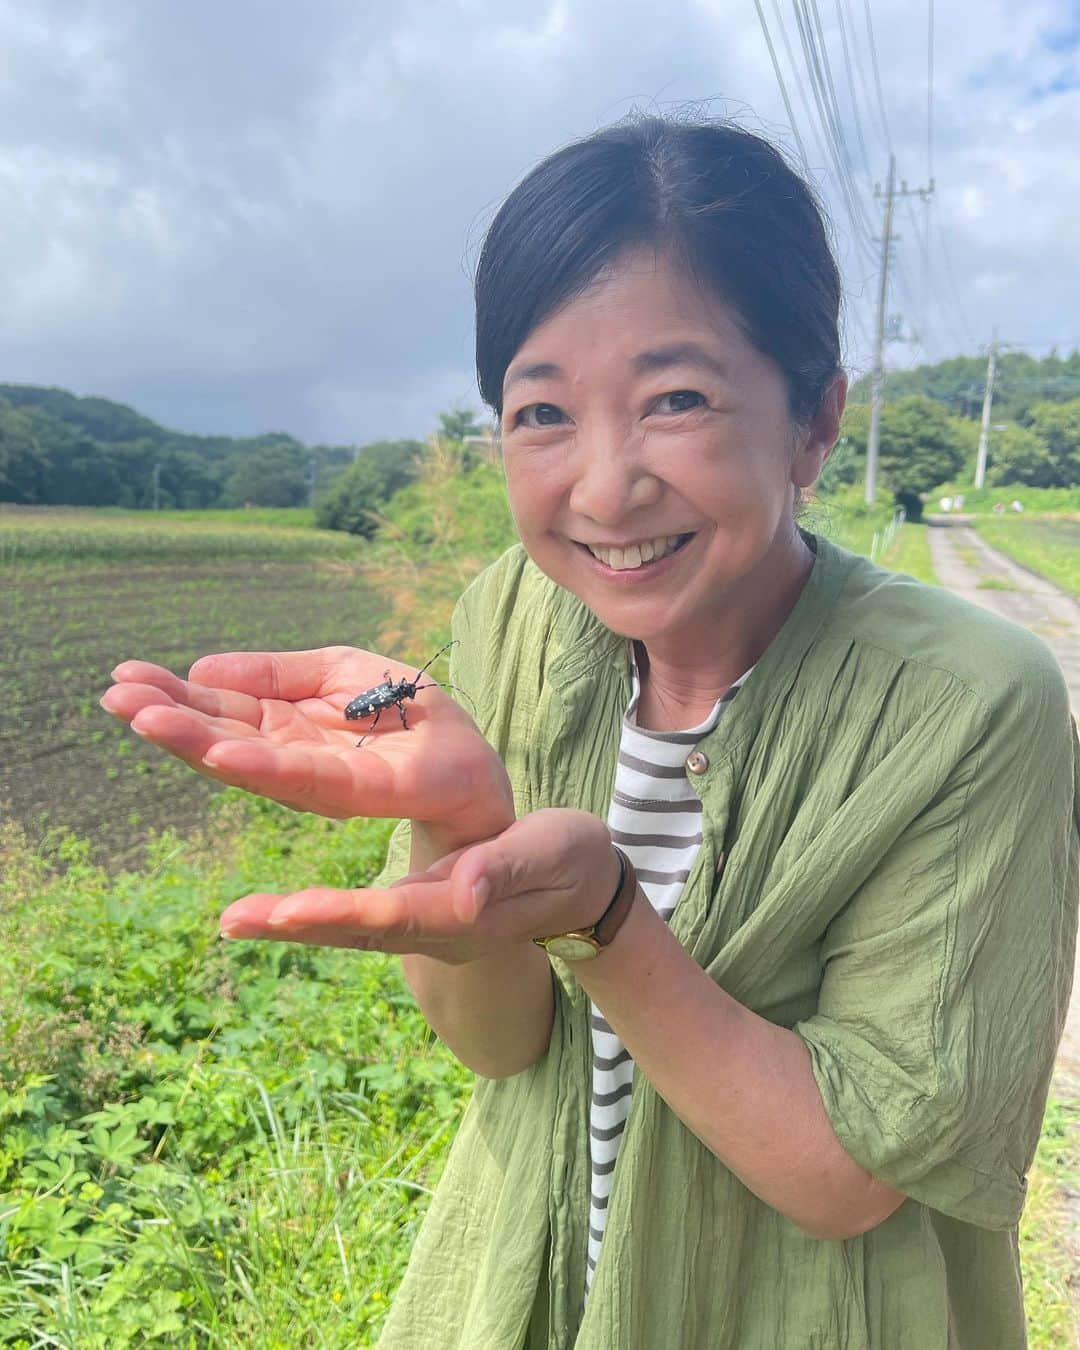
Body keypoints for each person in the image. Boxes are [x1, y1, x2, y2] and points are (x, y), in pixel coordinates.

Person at [101, 116, 1078, 1349]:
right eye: (542, 412)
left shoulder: (969, 699)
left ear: (815, 421)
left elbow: (846, 1174)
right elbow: (503, 1048)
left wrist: (607, 920)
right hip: (536, 1276)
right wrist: (454, 828)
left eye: (677, 398)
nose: (605, 488)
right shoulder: (514, 610)